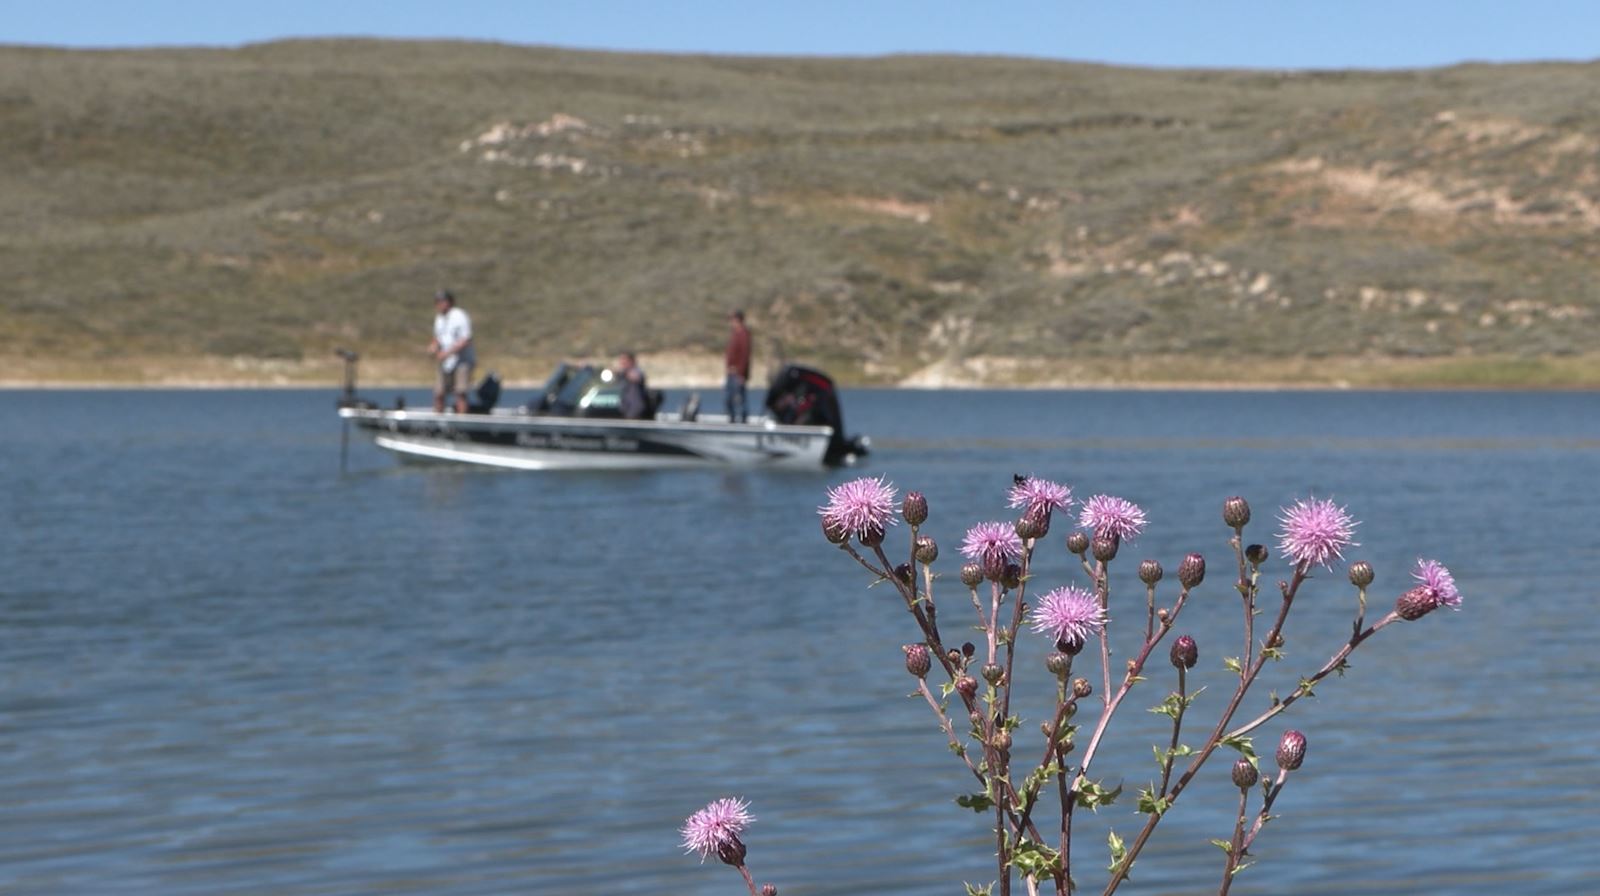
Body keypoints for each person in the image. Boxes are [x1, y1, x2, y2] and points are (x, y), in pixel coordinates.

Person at [429, 289, 476, 413]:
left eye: (442, 301)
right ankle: (438, 419)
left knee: (460, 393)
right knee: (439, 392)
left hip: (462, 361)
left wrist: (447, 353)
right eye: (438, 302)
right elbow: (438, 337)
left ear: (449, 302)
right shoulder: (439, 318)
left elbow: (466, 339)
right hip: (446, 363)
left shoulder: (459, 316)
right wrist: (434, 347)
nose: (440, 304)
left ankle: (462, 420)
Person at [724, 309, 752, 423]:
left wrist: (741, 373)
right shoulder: (735, 334)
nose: (731, 322)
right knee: (729, 399)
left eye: (733, 320)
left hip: (738, 373)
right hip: (731, 372)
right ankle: (732, 419)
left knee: (740, 399)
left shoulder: (743, 334)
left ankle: (743, 421)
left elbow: (745, 355)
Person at [615, 351, 650, 419]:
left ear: (631, 361)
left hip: (635, 408)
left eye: (624, 360)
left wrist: (625, 373)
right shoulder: (622, 373)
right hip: (625, 407)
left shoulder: (637, 370)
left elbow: (636, 377)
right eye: (621, 360)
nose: (622, 362)